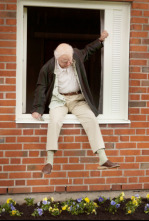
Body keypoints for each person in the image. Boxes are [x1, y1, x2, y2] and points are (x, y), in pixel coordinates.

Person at [31, 30, 120, 175]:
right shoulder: (48, 67)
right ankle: (49, 161)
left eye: (69, 60)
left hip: (78, 100)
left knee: (91, 118)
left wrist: (100, 40)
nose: (68, 63)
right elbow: (41, 87)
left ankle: (103, 159)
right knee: (54, 121)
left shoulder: (76, 56)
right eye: (64, 61)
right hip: (59, 100)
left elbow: (88, 50)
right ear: (56, 58)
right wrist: (37, 109)